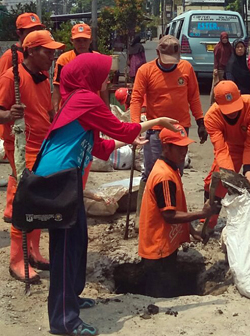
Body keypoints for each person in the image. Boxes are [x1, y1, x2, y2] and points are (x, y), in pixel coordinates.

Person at [33, 52, 179, 335]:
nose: (107, 79)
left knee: (77, 241)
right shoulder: (85, 99)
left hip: (66, 176)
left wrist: (129, 138)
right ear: (89, 74)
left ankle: (72, 298)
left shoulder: (76, 99)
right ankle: (63, 320)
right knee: (64, 249)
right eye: (104, 73)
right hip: (58, 179)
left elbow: (99, 147)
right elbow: (122, 129)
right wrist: (158, 120)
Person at [0, 30, 65, 283]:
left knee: (40, 202)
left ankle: (33, 253)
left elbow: (47, 110)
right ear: (30, 51)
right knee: (25, 200)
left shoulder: (43, 77)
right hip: (21, 147)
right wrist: (8, 115)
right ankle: (17, 259)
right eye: (47, 51)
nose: (52, 55)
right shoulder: (10, 78)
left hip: (42, 146)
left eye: (53, 51)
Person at [130, 35, 207, 228]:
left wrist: (200, 121)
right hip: (155, 131)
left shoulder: (186, 69)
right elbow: (136, 99)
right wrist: (134, 128)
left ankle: (173, 215)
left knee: (175, 173)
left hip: (180, 130)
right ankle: (144, 218)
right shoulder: (145, 71)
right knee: (151, 174)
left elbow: (194, 97)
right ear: (157, 53)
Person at [139, 125, 214, 298]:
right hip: (158, 250)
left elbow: (176, 207)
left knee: (167, 288)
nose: (184, 152)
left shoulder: (171, 169)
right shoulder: (164, 177)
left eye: (185, 147)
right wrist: (201, 215)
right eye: (179, 148)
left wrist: (192, 230)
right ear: (166, 147)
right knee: (160, 295)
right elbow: (169, 216)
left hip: (164, 246)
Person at [203, 80, 250, 228]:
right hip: (233, 145)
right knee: (217, 182)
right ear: (217, 103)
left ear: (240, 96)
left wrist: (249, 172)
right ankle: (208, 223)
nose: (232, 112)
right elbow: (221, 150)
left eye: (234, 107)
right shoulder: (211, 117)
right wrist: (230, 177)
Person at [0, 12, 44, 226]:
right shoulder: (10, 58)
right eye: (31, 31)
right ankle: (15, 211)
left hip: (32, 129)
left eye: (38, 30)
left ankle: (12, 209)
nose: (35, 34)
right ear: (20, 33)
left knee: (19, 171)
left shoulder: (39, 59)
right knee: (21, 172)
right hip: (15, 131)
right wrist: (9, 115)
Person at [52, 23, 109, 112]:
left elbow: (104, 88)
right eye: (78, 40)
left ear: (90, 40)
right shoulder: (64, 59)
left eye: (85, 40)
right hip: (70, 109)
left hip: (92, 108)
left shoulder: (98, 58)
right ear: (72, 40)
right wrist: (55, 111)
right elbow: (57, 86)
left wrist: (107, 109)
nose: (82, 44)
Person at [210, 31, 232, 105]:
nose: (225, 40)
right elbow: (216, 58)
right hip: (219, 70)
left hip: (228, 70)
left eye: (226, 38)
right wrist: (215, 68)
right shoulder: (218, 47)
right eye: (223, 38)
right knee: (215, 87)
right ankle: (213, 103)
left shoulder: (229, 47)